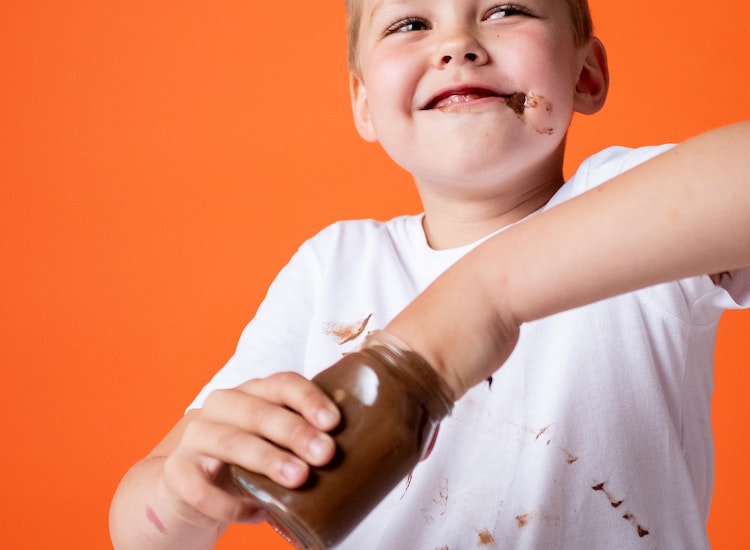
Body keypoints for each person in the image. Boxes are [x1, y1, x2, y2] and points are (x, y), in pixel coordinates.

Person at [109, 0, 750, 548]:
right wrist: (184, 500)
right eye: (410, 22)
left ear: (586, 74)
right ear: (363, 102)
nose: (457, 45)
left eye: (506, 9)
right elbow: (136, 525)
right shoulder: (333, 267)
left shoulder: (633, 205)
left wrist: (485, 294)